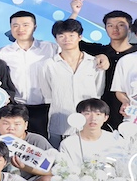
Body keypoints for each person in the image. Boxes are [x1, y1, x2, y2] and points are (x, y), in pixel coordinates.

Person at [70, 1, 137, 129]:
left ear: (130, 28)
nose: (115, 29)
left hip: (131, 109)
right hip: (100, 110)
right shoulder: (98, 51)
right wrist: (74, 13)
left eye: (121, 25)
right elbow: (70, 39)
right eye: (110, 25)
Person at [0, 11, 59, 139]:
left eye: (25, 25)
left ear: (35, 27)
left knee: (43, 144)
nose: (20, 29)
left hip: (45, 107)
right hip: (16, 108)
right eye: (15, 25)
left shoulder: (51, 48)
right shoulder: (3, 53)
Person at [40, 19, 104, 148]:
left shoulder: (94, 63)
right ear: (56, 39)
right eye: (61, 36)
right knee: (59, 157)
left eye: (71, 35)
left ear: (80, 37)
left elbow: (98, 90)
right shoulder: (49, 64)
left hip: (89, 122)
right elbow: (47, 93)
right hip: (60, 122)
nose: (67, 39)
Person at [0, 105, 54, 181]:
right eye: (6, 123)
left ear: (26, 125)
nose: (11, 128)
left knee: (48, 180)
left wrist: (25, 167)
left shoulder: (37, 141)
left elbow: (55, 171)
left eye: (17, 124)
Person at [59, 98, 126, 169]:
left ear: (105, 118)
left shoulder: (115, 140)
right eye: (87, 114)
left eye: (98, 114)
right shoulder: (68, 143)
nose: (93, 118)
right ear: (79, 116)